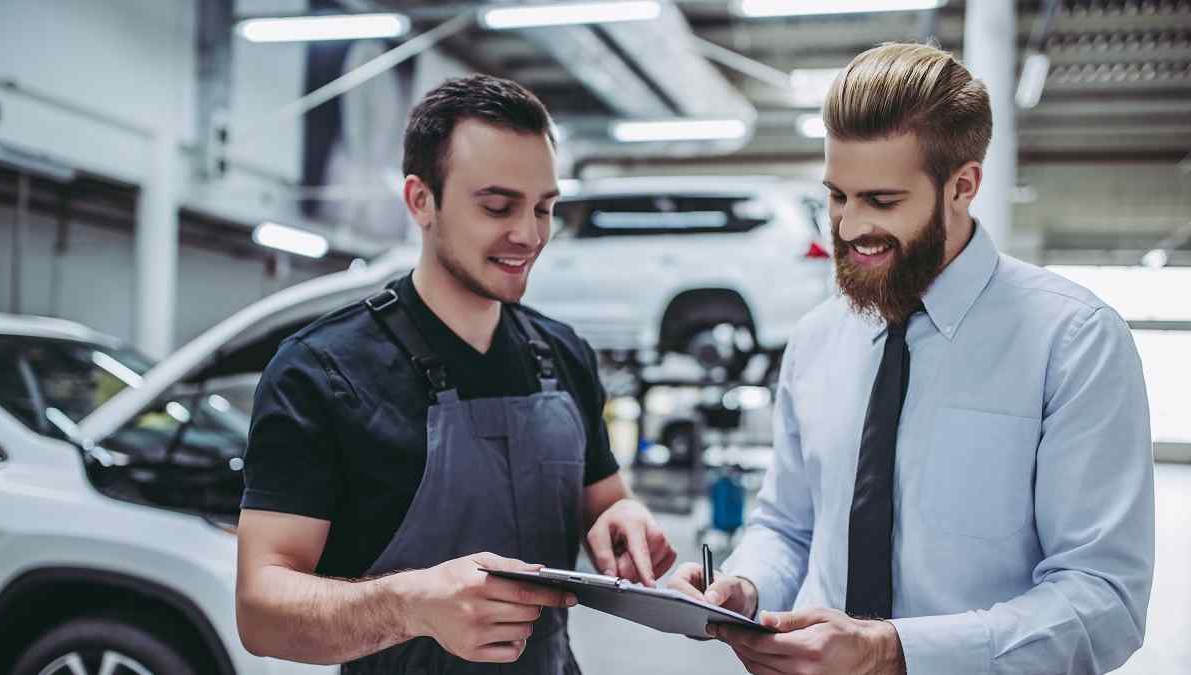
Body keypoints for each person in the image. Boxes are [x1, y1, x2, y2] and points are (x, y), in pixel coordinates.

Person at [669, 42, 1154, 675]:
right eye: (837, 197)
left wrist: (891, 652)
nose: (846, 229)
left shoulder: (1074, 341)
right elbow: (788, 525)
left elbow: (1104, 599)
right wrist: (747, 587)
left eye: (881, 201)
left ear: (963, 185)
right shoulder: (816, 339)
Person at [235, 74, 675, 674]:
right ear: (421, 200)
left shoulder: (563, 354)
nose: (527, 235)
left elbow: (603, 502)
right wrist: (410, 606)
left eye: (544, 208)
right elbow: (261, 609)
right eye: (497, 207)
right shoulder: (323, 371)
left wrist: (621, 520)